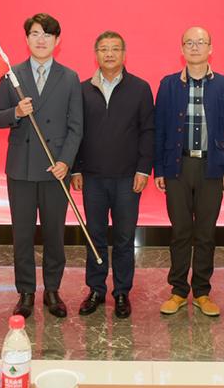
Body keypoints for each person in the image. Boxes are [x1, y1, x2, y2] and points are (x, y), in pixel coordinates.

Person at [0, 13, 83, 319]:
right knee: (23, 234)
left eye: (47, 34)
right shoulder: (12, 76)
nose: (41, 40)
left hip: (56, 170)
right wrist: (15, 112)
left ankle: (53, 290)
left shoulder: (69, 77)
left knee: (55, 233)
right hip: (21, 168)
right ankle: (26, 292)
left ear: (57, 41)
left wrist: (65, 162)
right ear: (27, 38)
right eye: (35, 34)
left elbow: (76, 127)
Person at [154, 26, 224, 317]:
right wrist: (159, 168)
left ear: (210, 48)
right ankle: (179, 291)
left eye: (201, 42)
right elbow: (159, 129)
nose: (195, 47)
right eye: (189, 42)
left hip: (211, 168)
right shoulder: (168, 84)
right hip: (177, 167)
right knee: (180, 231)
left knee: (205, 233)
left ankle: (202, 292)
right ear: (182, 49)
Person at [71, 31, 154, 319]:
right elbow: (75, 132)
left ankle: (121, 292)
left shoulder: (140, 88)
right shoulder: (82, 89)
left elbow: (148, 131)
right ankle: (95, 289)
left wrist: (143, 169)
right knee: (94, 236)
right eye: (104, 49)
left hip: (127, 178)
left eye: (115, 49)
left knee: (123, 237)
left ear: (124, 54)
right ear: (96, 54)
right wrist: (76, 168)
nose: (109, 54)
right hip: (92, 178)